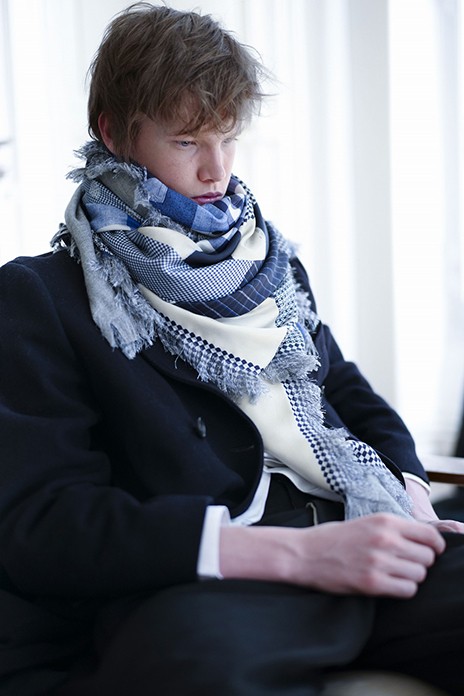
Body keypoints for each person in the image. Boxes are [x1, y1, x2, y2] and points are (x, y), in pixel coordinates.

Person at [1, 4, 464, 695]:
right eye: (187, 141)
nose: (215, 169)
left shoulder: (269, 266)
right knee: (190, 666)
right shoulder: (42, 296)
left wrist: (412, 496)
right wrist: (297, 556)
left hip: (367, 533)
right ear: (114, 134)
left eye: (227, 138)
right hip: (221, 583)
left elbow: (344, 391)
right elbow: (44, 521)